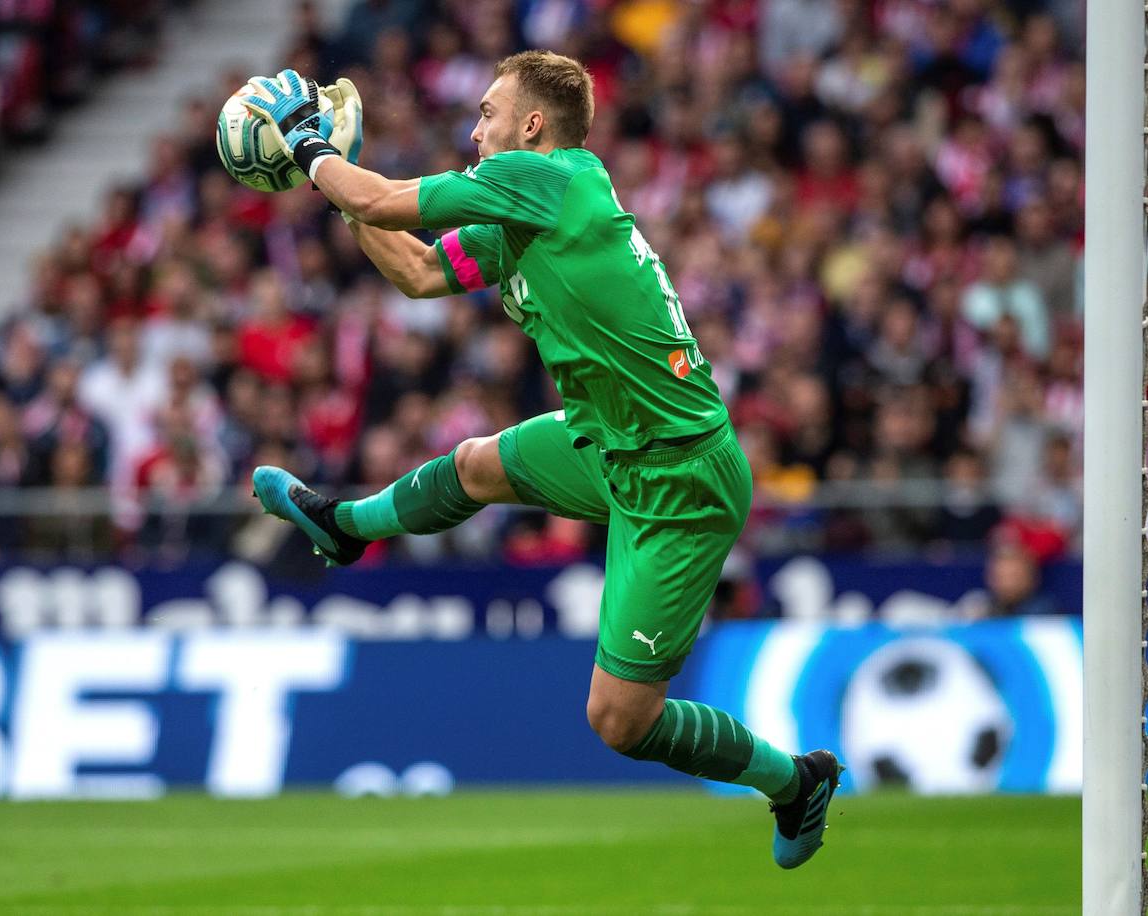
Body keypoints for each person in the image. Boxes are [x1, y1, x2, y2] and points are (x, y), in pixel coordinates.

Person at [241, 55, 844, 869]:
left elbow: (383, 197)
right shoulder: (522, 213)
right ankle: (345, 527)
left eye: (486, 112)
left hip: (678, 477)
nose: (473, 129)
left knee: (619, 721)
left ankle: (793, 781)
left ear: (531, 126)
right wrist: (335, 185)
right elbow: (418, 270)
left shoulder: (542, 178)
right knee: (479, 464)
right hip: (606, 437)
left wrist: (315, 148)